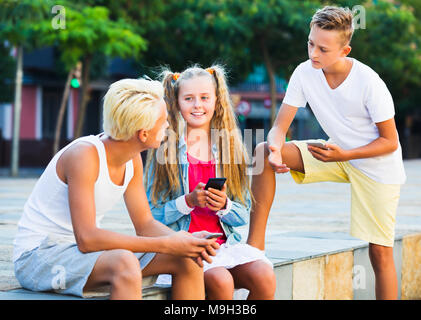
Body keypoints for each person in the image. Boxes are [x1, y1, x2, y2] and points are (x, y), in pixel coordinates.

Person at [247, 6, 406, 300]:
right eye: (310, 43)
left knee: (380, 253)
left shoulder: (369, 82)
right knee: (260, 152)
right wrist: (274, 151)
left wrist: (344, 155)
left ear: (345, 49)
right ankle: (254, 250)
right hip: (334, 152)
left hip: (376, 166)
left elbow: (390, 142)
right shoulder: (304, 73)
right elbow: (279, 128)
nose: (313, 53)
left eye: (323, 48)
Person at [13, 77, 219, 300]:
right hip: (38, 257)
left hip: (82, 255)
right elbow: (88, 238)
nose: (168, 125)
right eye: (163, 121)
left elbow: (145, 224)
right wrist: (167, 244)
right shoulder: (84, 155)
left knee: (188, 259)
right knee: (124, 262)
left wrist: (184, 241)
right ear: (143, 134)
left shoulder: (132, 160)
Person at [145, 65, 276, 300]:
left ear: (217, 100)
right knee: (221, 280)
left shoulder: (230, 147)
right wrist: (187, 202)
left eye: (205, 98)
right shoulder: (165, 149)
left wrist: (224, 205)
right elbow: (150, 216)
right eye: (188, 98)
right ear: (176, 102)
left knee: (265, 275)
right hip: (186, 247)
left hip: (224, 246)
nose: (197, 105)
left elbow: (243, 214)